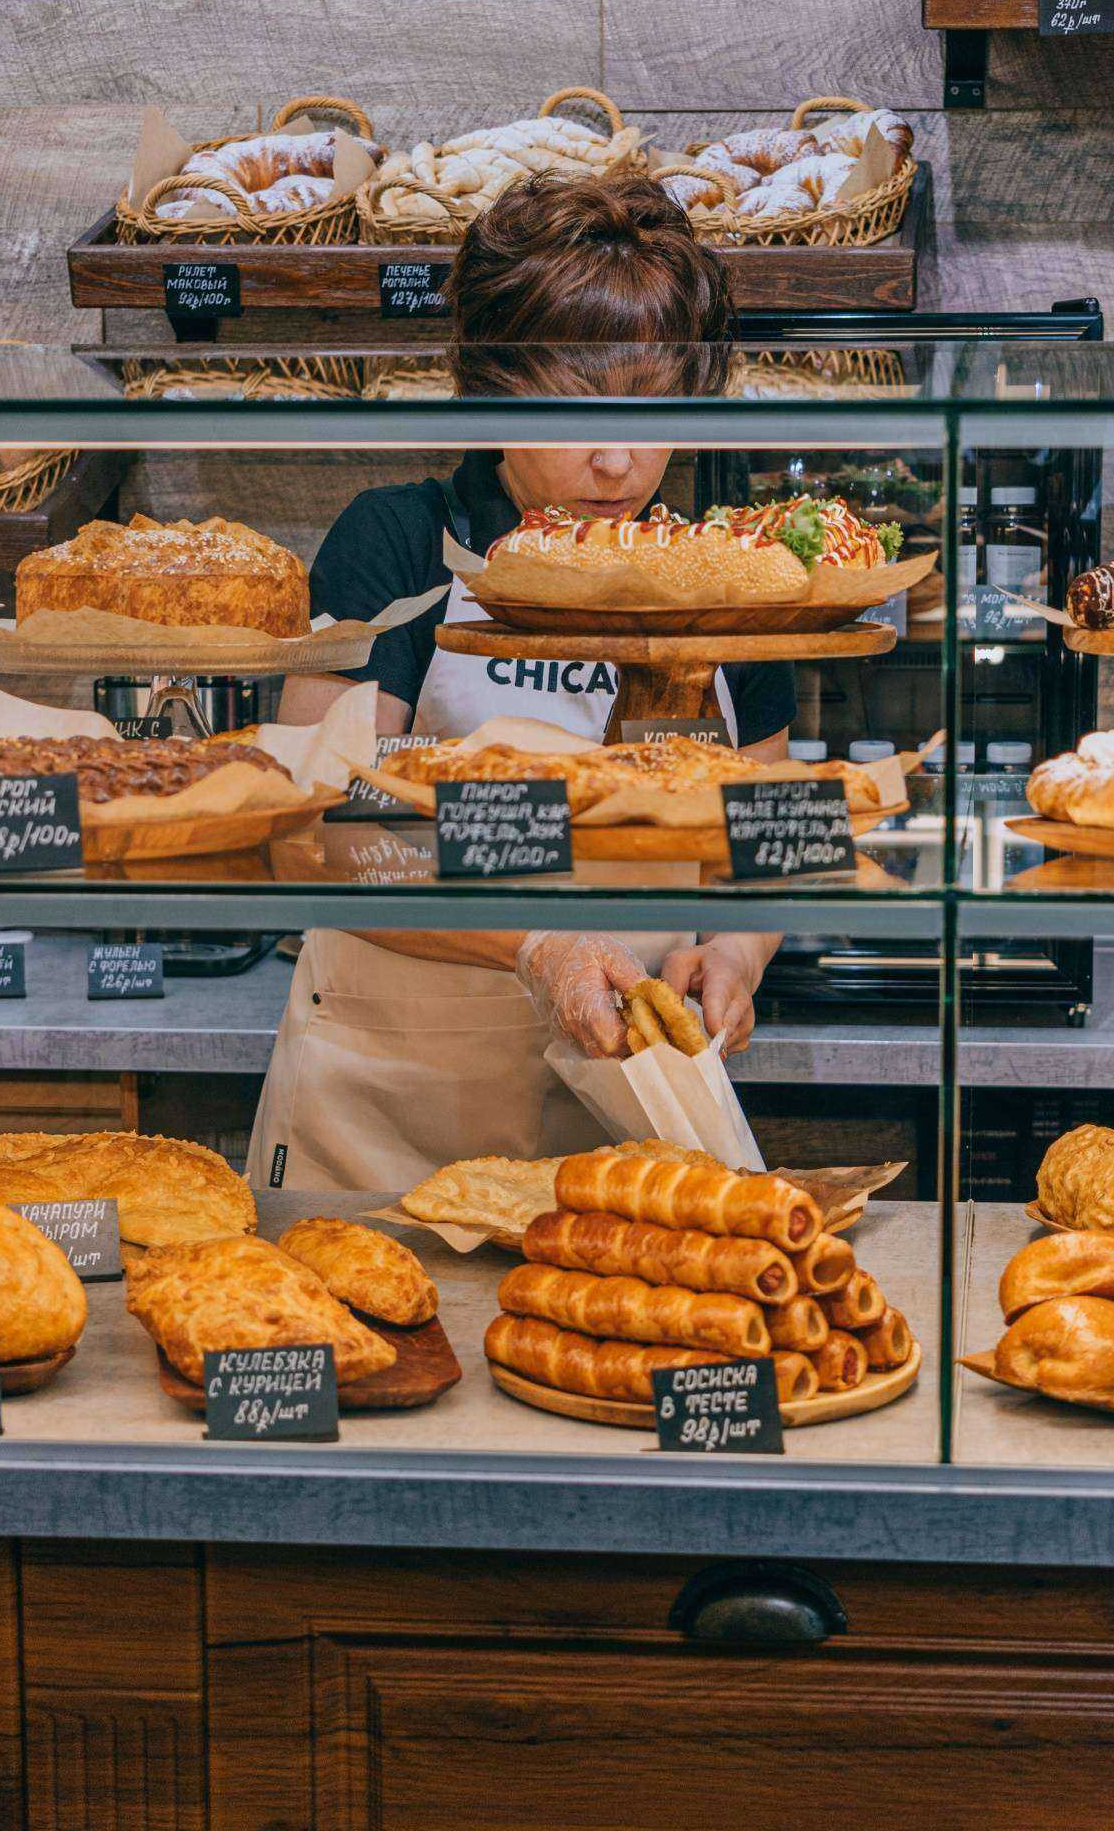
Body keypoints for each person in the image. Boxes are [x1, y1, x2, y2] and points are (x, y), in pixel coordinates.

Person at [249, 171, 793, 1190]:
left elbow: (774, 827)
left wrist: (741, 950)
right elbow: (316, 835)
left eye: (653, 407)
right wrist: (537, 942)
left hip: (624, 1138)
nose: (615, 460)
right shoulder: (400, 544)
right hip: (385, 1127)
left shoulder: (721, 577)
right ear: (492, 391)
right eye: (572, 407)